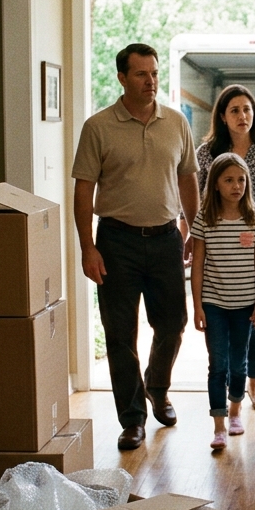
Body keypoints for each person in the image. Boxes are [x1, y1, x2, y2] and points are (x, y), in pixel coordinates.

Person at [73, 43, 200, 451]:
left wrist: (192, 227)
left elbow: (187, 180)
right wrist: (87, 247)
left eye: (155, 73)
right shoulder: (98, 126)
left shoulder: (176, 123)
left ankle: (156, 387)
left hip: (165, 239)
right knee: (119, 335)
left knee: (173, 324)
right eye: (142, 74)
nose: (151, 81)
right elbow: (83, 189)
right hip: (116, 242)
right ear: (122, 78)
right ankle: (132, 419)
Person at [197, 85, 255, 412]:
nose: (242, 116)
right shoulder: (207, 152)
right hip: (220, 247)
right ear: (222, 116)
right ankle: (229, 390)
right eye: (234, 110)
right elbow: (197, 197)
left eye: (247, 109)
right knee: (225, 326)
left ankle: (253, 384)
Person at [190, 153, 255, 450]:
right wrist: (197, 305)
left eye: (241, 179)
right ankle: (219, 424)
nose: (236, 185)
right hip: (214, 303)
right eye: (229, 180)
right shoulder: (205, 219)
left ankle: (236, 411)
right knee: (218, 365)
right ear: (215, 185)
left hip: (246, 306)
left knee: (239, 365)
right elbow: (198, 264)